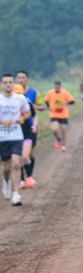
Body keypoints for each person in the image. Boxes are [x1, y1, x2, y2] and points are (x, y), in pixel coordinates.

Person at [1, 73, 31, 206]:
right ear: (2, 84)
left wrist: (22, 119)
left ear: (14, 84)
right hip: (2, 137)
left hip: (16, 136)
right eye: (5, 82)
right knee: (6, 168)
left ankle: (16, 194)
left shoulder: (20, 98)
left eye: (10, 82)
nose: (8, 84)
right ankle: (6, 182)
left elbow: (28, 112)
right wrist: (2, 122)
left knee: (16, 164)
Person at [14, 70, 44, 189]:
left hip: (29, 129)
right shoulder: (9, 99)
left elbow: (41, 108)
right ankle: (22, 179)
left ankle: (29, 176)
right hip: (15, 130)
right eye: (19, 78)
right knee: (20, 155)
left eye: (23, 77)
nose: (21, 80)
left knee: (28, 154)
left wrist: (30, 107)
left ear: (27, 79)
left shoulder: (32, 93)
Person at [43, 80, 76, 153]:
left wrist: (66, 102)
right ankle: (58, 139)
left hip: (63, 114)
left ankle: (63, 146)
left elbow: (73, 101)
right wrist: (48, 106)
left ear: (60, 86)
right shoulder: (50, 92)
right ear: (54, 86)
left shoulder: (65, 92)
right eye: (56, 87)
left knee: (64, 130)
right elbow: (46, 100)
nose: (57, 88)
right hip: (54, 114)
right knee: (54, 129)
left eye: (58, 87)